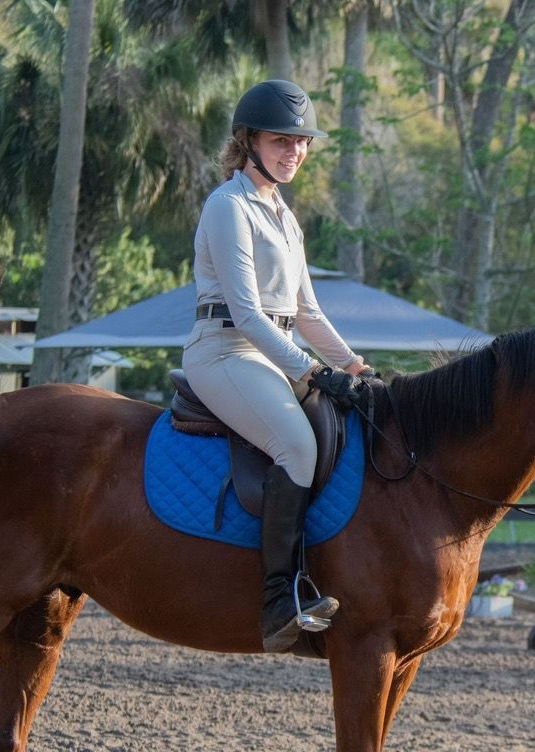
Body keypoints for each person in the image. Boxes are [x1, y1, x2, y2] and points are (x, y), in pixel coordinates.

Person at [182, 79, 371, 653]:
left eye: (302, 142)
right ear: (249, 142)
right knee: (296, 445)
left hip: (274, 354)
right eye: (281, 140)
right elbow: (246, 314)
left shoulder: (285, 217)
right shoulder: (228, 205)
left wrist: (353, 366)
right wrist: (313, 372)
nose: (295, 151)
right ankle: (277, 601)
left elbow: (306, 312)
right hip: (225, 350)